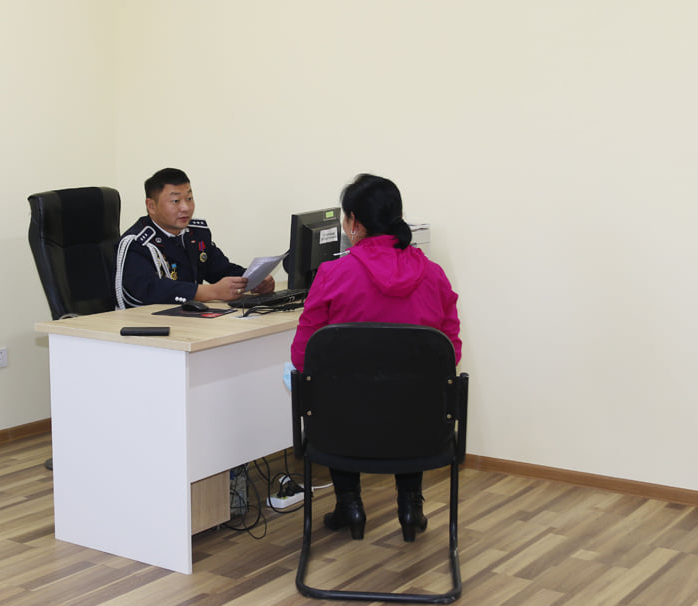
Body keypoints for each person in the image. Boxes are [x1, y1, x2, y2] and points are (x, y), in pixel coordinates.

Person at [290, 173, 462, 543]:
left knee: (331, 392)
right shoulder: (434, 275)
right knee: (409, 395)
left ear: (354, 222)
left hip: (344, 429)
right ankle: (410, 505)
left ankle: (349, 504)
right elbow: (449, 355)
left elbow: (304, 356)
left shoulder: (332, 274)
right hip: (420, 429)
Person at [115, 168, 275, 308]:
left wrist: (253, 280)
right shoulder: (136, 243)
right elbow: (149, 290)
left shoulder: (196, 234)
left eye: (189, 199)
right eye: (175, 201)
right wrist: (211, 292)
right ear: (151, 206)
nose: (185, 208)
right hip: (145, 324)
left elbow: (221, 269)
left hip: (186, 319)